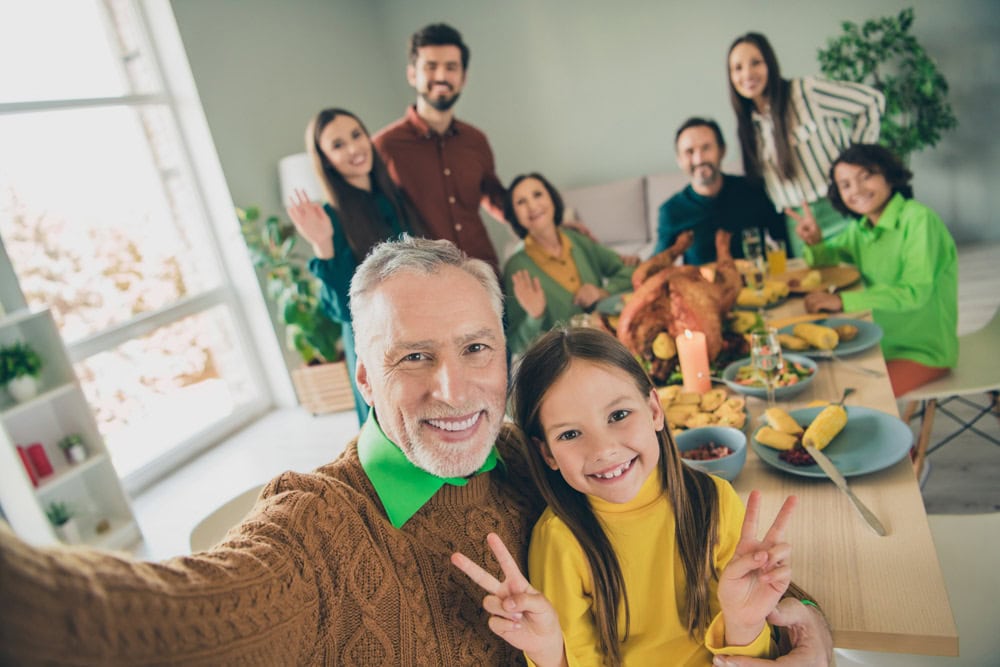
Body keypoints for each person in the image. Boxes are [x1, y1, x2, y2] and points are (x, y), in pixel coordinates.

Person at [0, 238, 832, 665]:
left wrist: (809, 631)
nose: (452, 388)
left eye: (476, 348)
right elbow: (148, 624)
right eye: (411, 357)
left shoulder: (531, 456)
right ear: (362, 373)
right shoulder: (314, 534)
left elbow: (711, 554)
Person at [455, 327, 799, 666]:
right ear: (547, 454)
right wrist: (549, 654)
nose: (604, 450)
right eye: (571, 434)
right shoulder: (561, 542)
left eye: (618, 415)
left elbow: (747, 650)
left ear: (654, 410)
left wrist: (747, 622)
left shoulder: (715, 501)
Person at [286, 107, 427, 425]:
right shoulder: (331, 217)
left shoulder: (396, 198)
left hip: (415, 327)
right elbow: (340, 310)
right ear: (325, 160)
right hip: (376, 345)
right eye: (337, 145)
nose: (353, 148)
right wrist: (322, 244)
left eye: (356, 135)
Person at [788, 144, 958, 397]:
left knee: (858, 398)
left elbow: (913, 293)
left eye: (866, 176)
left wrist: (841, 301)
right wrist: (815, 242)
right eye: (845, 185)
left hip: (924, 351)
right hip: (879, 342)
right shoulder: (862, 229)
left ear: (888, 175)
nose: (856, 190)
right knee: (819, 381)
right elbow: (829, 255)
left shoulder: (919, 220)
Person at [727, 32, 885, 259]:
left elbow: (871, 102)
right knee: (815, 292)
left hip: (840, 211)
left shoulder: (805, 92)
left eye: (756, 63)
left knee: (859, 285)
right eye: (738, 68)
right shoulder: (748, 126)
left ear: (770, 64)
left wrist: (857, 165)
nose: (747, 73)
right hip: (797, 227)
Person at [373, 23, 507, 271]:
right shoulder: (384, 147)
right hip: (429, 285)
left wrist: (553, 224)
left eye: (451, 67)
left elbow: (498, 199)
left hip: (484, 273)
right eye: (431, 66)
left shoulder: (476, 140)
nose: (442, 77)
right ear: (412, 74)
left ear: (463, 78)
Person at [502, 173, 634, 356]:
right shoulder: (516, 268)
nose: (532, 205)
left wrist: (602, 292)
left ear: (552, 198)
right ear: (514, 215)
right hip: (563, 364)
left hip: (607, 347)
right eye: (521, 202)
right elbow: (515, 346)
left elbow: (631, 272)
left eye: (537, 194)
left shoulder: (578, 239)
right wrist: (535, 317)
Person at [654, 117, 788, 265]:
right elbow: (657, 264)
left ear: (722, 150)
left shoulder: (753, 190)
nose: (699, 159)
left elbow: (784, 240)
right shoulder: (671, 211)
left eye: (706, 148)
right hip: (703, 286)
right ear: (679, 160)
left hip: (757, 283)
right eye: (689, 152)